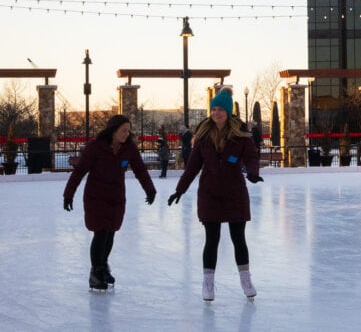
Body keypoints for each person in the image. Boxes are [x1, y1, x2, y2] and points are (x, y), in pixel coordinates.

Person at [167, 88, 263, 302]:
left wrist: (254, 174)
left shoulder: (241, 137)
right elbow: (192, 168)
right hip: (210, 194)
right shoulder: (202, 138)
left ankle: (246, 280)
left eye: (221, 109)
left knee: (239, 239)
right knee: (212, 239)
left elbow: (251, 158)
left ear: (228, 112)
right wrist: (179, 190)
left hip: (235, 193)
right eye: (214, 109)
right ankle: (208, 283)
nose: (217, 113)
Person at [62, 114, 157, 291]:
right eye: (123, 131)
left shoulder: (129, 149)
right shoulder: (95, 147)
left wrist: (150, 189)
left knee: (111, 232)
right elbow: (80, 171)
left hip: (116, 197)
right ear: (113, 130)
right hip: (96, 197)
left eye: (128, 131)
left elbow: (140, 170)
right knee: (100, 233)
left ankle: (103, 266)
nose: (126, 134)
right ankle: (95, 272)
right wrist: (68, 194)